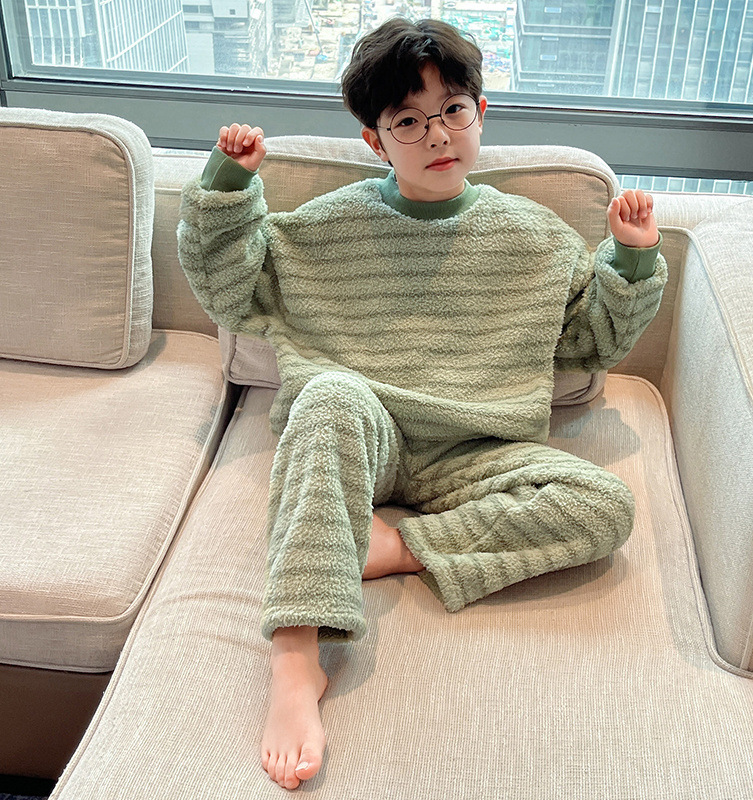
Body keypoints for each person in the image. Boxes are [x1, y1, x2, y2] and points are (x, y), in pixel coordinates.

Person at [177, 16, 667, 791]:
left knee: (605, 506)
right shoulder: (326, 228)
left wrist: (632, 262)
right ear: (375, 141)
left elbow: (588, 341)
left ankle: (393, 548)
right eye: (408, 121)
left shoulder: (536, 238)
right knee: (326, 396)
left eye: (453, 110)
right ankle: (296, 659)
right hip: (360, 433)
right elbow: (231, 287)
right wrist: (229, 188)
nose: (437, 134)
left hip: (476, 452)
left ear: (481, 113)